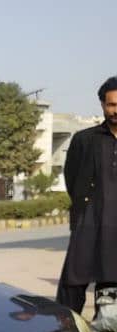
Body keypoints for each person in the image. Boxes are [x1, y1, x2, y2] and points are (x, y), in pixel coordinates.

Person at [56, 76, 117, 314]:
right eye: (111, 104)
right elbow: (72, 178)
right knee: (73, 282)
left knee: (110, 292)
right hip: (89, 223)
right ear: (102, 105)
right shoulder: (84, 140)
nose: (115, 110)